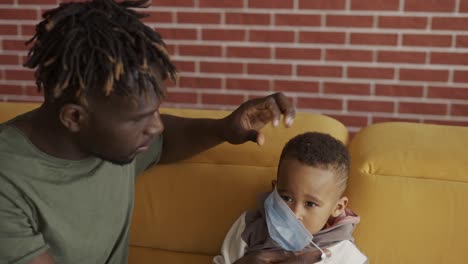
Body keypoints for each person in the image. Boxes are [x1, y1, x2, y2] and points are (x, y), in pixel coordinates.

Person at [0, 0, 324, 263]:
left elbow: (166, 138)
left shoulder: (107, 139)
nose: (155, 125)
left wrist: (224, 128)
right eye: (140, 118)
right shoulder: (8, 181)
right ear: (73, 117)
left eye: (156, 109)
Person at [213, 132, 368, 264]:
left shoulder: (345, 253)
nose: (294, 213)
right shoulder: (250, 227)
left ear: (337, 207)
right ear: (274, 190)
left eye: (310, 204)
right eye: (286, 198)